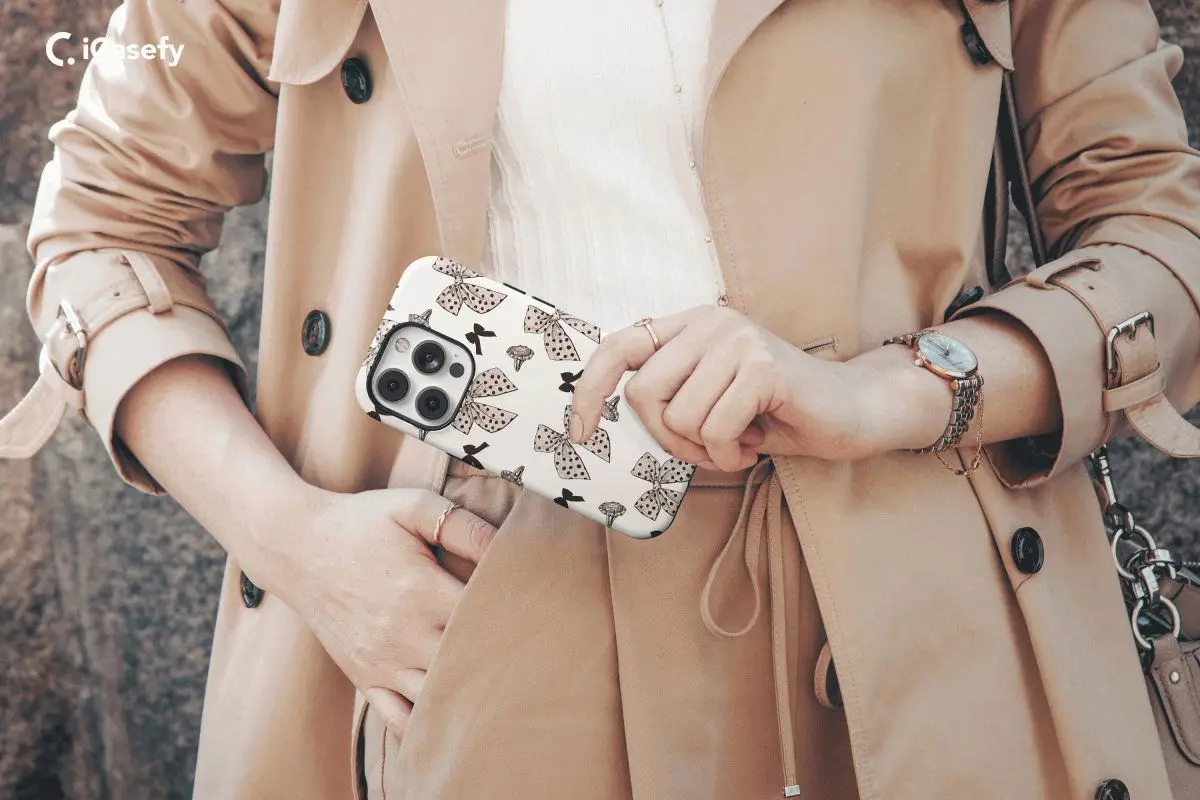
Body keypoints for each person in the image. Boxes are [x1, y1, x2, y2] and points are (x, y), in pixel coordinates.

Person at [3, 0, 1199, 797]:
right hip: (460, 611)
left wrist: (893, 391)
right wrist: (299, 545)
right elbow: (103, 223)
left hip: (910, 620)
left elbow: (1157, 221)